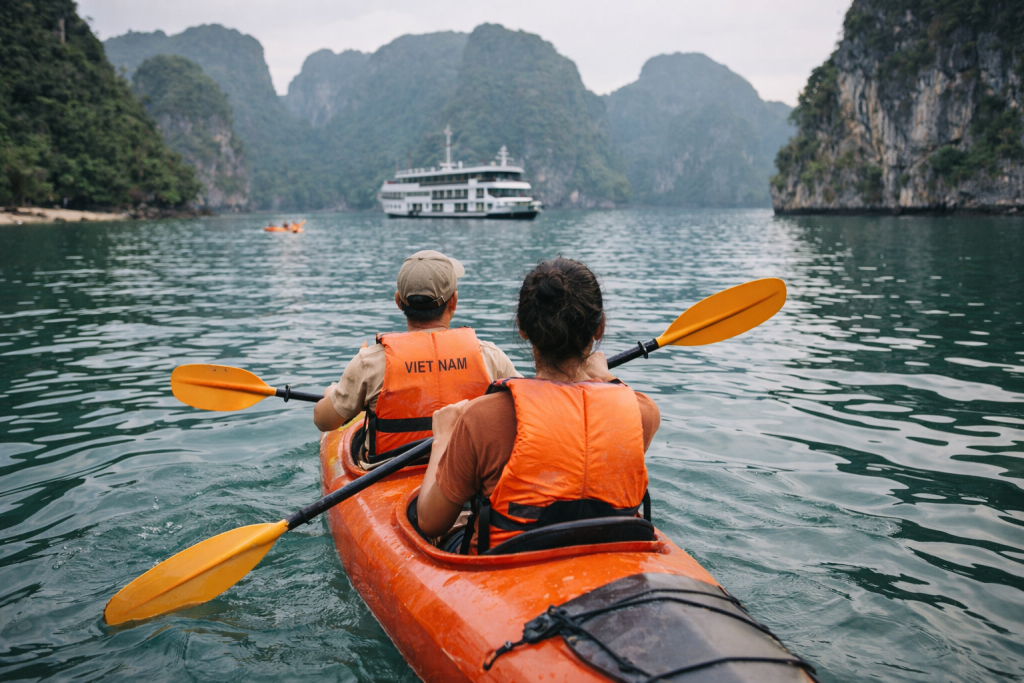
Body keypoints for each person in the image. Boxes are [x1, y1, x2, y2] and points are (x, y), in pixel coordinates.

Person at [416, 257, 660, 554]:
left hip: (510, 569)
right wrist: (605, 375)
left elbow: (430, 522)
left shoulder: (480, 418)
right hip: (612, 560)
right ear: (600, 328)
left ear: (522, 328)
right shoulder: (642, 413)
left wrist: (442, 439)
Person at [314, 250, 520, 467]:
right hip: (467, 472)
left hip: (388, 474)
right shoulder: (490, 357)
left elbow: (323, 421)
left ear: (398, 302)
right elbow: (526, 407)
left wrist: (331, 396)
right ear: (454, 301)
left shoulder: (369, 363)